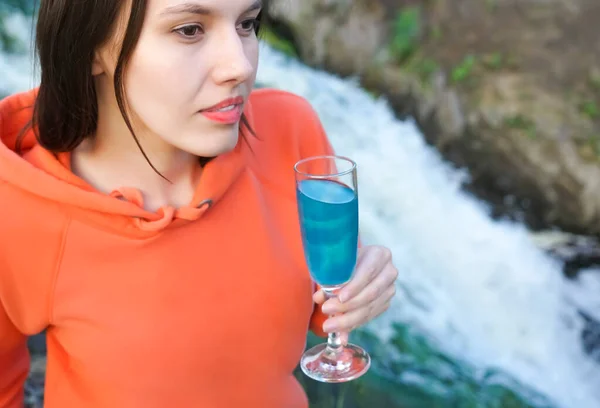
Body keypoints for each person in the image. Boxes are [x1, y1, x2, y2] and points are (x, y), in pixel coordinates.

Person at [0, 0, 399, 407]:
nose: (239, 66)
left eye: (247, 23)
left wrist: (357, 287)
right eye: (189, 29)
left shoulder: (290, 133)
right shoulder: (17, 207)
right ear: (90, 45)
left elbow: (320, 302)